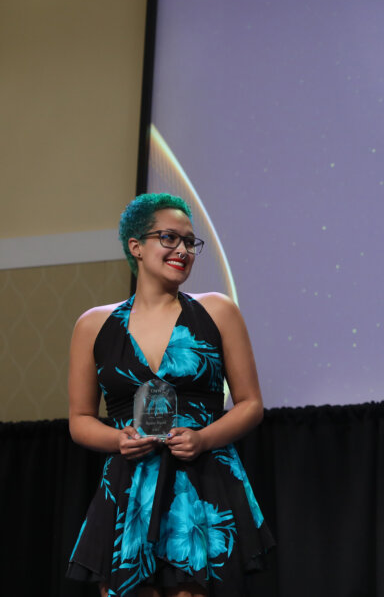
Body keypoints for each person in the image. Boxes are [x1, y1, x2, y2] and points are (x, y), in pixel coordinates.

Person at [67, 193, 274, 597]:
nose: (182, 250)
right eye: (169, 238)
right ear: (136, 246)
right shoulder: (94, 325)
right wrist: (118, 439)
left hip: (200, 480)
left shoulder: (218, 310)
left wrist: (204, 439)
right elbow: (79, 419)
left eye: (190, 242)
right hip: (131, 486)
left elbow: (250, 404)